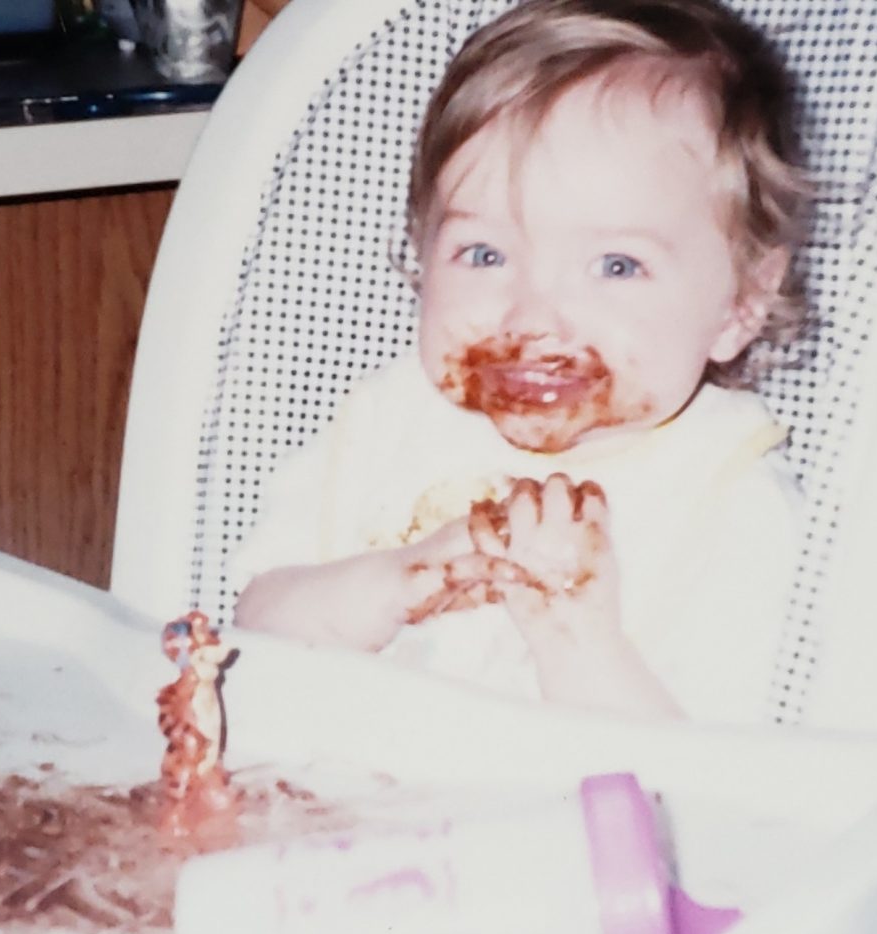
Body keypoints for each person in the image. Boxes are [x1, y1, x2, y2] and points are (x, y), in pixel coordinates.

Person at [231, 0, 810, 724]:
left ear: (741, 305)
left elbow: (705, 774)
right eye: (484, 254)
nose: (533, 319)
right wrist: (397, 581)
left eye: (617, 265)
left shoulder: (727, 495)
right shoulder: (391, 419)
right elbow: (248, 633)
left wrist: (571, 632)